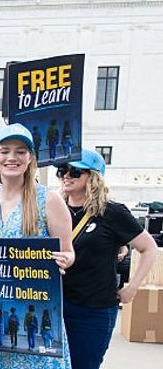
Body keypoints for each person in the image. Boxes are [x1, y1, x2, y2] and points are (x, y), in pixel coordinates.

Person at [0, 124, 76, 368]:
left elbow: (68, 250)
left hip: (32, 301)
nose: (12, 158)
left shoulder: (48, 200)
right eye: (5, 151)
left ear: (30, 158)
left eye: (20, 151)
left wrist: (65, 259)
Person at [58, 149, 158, 369]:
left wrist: (132, 288)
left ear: (93, 177)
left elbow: (149, 248)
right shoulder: (56, 210)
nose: (66, 175)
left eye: (75, 171)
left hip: (92, 310)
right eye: (62, 170)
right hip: (56, 306)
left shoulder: (112, 212)